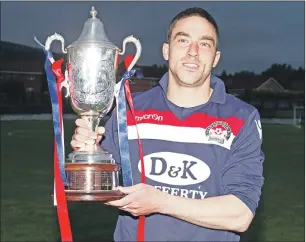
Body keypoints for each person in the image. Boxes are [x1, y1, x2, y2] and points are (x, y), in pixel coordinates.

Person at [71, 7, 265, 242]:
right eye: (183, 40)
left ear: (215, 58)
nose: (193, 52)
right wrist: (90, 153)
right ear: (166, 50)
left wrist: (160, 202)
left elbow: (240, 215)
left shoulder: (241, 117)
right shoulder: (128, 109)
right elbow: (103, 186)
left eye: (204, 44)